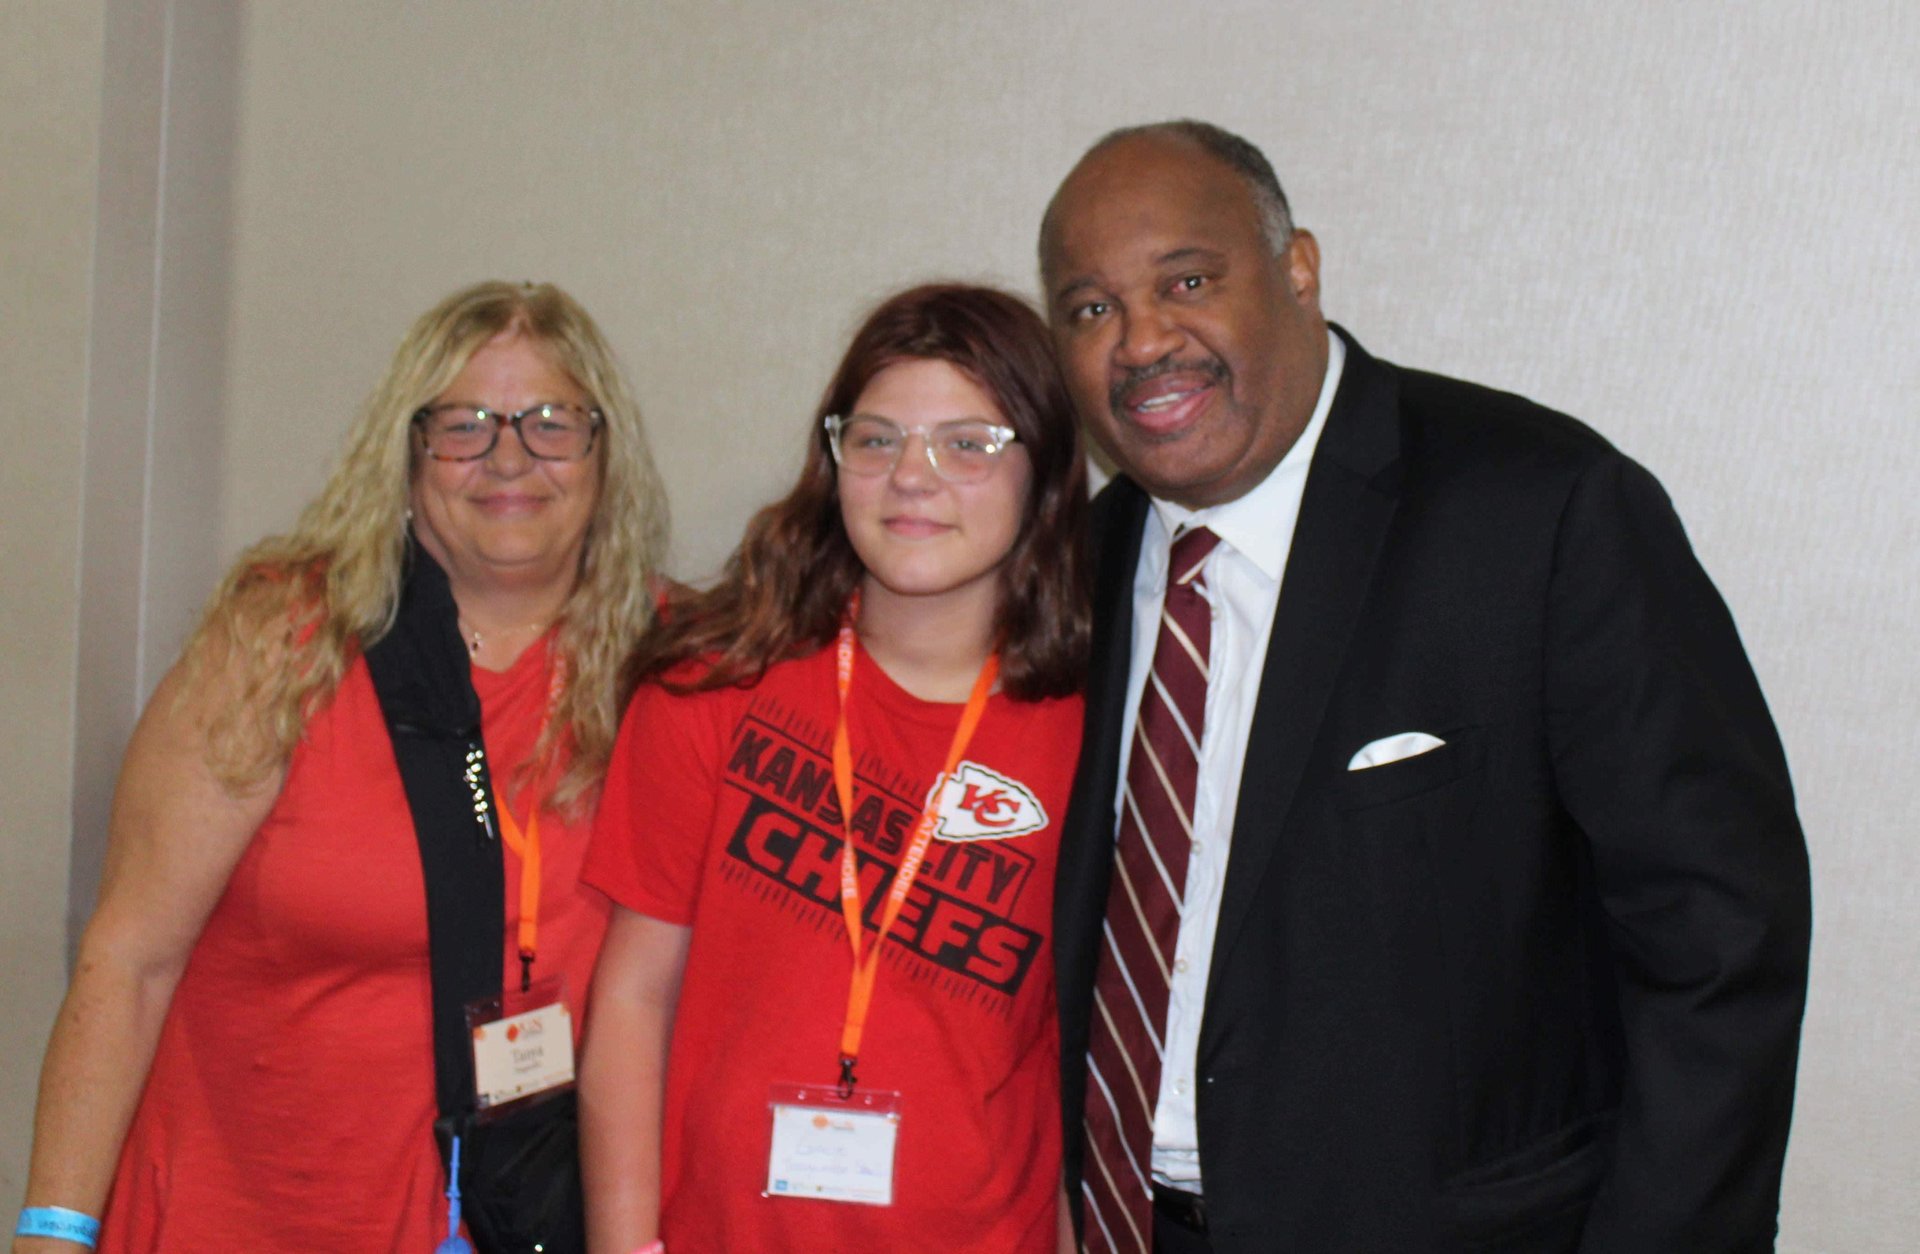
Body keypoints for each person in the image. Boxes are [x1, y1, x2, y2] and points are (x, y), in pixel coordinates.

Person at [1040, 121, 1812, 1253]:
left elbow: (1720, 936)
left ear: (1298, 269)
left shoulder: (1541, 512)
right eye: (1090, 309)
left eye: (1188, 280)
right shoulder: (1079, 569)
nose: (1143, 341)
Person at [13, 281, 669, 1253]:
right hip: (245, 1216)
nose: (508, 458)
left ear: (602, 455)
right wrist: (51, 1232)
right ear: (406, 458)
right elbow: (131, 961)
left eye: (549, 423)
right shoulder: (285, 638)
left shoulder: (665, 667)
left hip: (509, 1218)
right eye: (464, 426)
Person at [580, 283, 1088, 1253]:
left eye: (968, 444)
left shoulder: (1094, 733)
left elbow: (1072, 1056)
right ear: (835, 459)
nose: (913, 476)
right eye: (876, 438)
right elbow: (633, 996)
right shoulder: (714, 687)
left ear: (1046, 473)